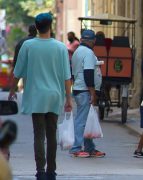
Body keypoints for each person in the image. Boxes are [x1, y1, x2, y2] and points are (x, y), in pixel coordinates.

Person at [8, 13, 72, 180]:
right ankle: (51, 170)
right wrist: (69, 99)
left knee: (39, 134)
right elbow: (67, 76)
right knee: (52, 134)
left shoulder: (28, 46)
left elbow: (17, 72)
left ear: (36, 27)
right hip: (54, 96)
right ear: (50, 26)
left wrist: (12, 90)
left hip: (36, 97)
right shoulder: (60, 47)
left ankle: (40, 171)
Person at [70, 29, 105, 159]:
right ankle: (76, 148)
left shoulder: (77, 52)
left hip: (79, 88)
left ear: (81, 40)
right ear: (93, 41)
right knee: (81, 120)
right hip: (85, 90)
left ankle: (90, 148)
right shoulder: (89, 53)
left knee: (85, 119)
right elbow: (88, 73)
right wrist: (93, 93)